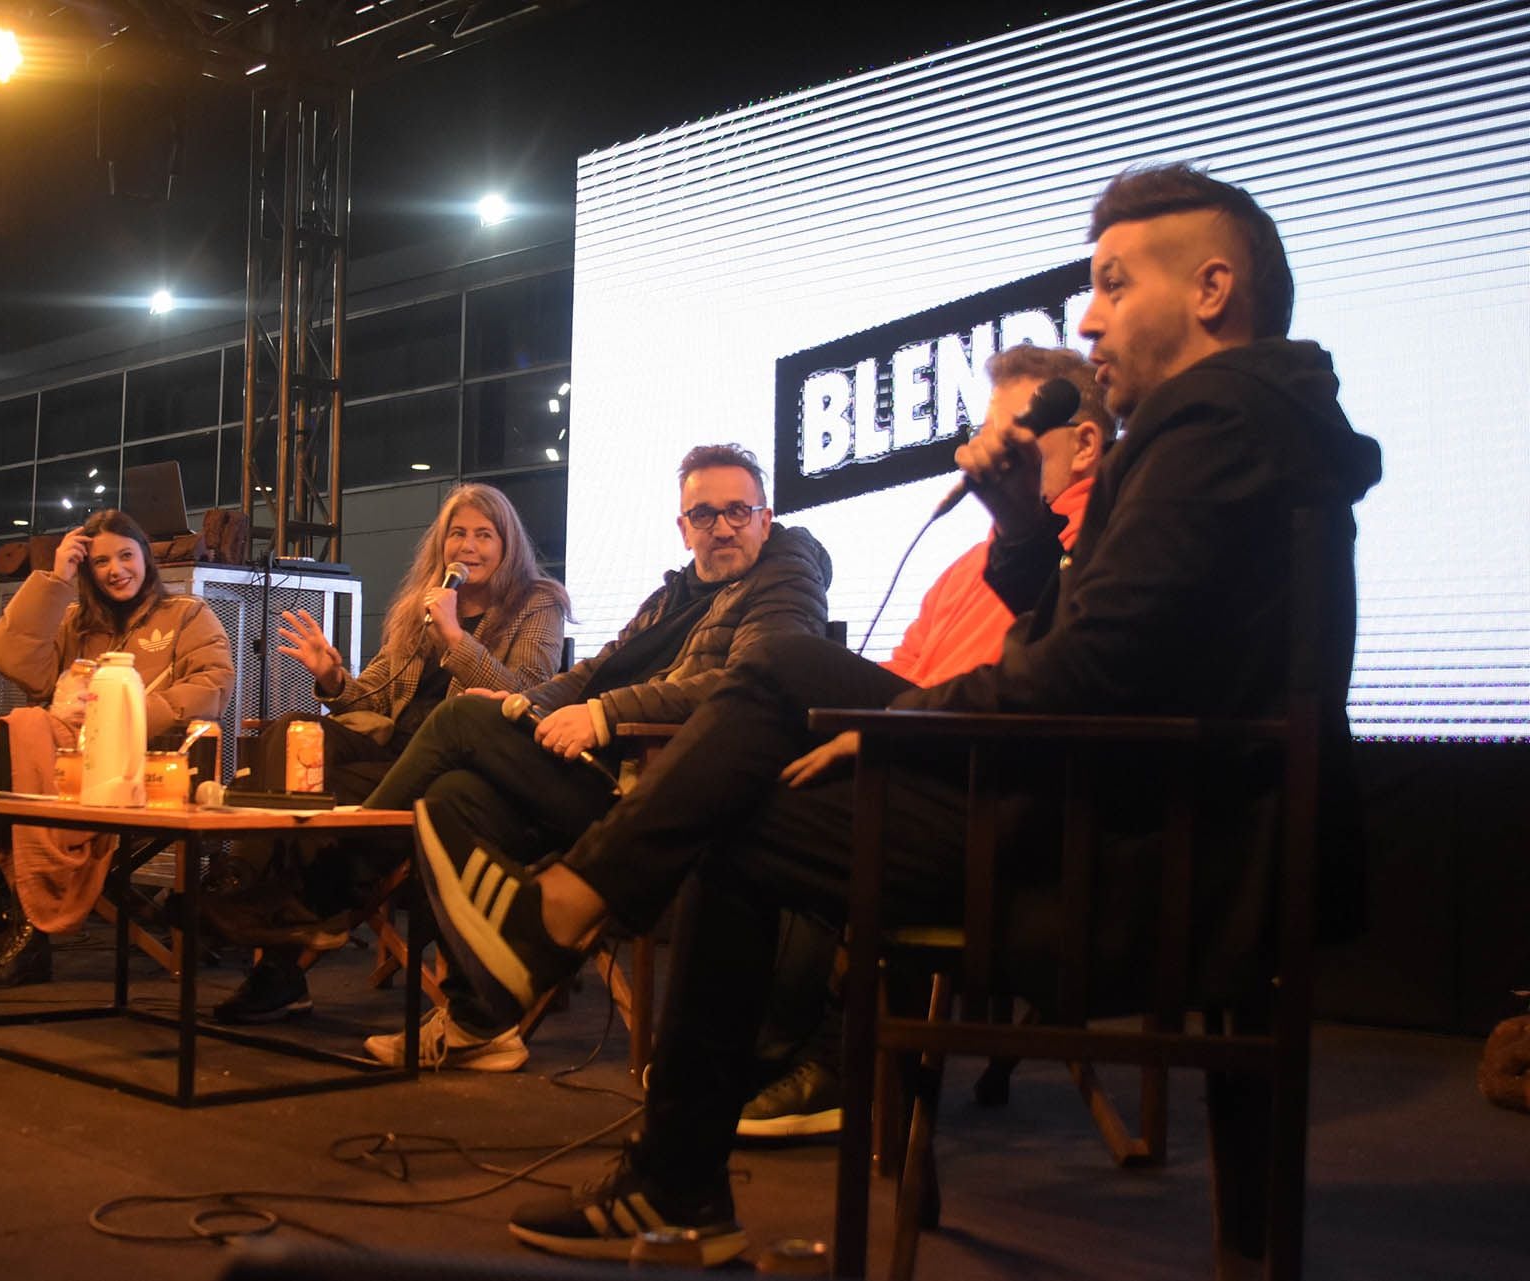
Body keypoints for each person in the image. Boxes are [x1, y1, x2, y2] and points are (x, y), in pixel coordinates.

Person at [414, 162, 1381, 1262]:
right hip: (1138, 818)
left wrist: (888, 728)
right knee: (783, 669)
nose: (1089, 315)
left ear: (1213, 289)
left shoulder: (1213, 424)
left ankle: (617, 1045)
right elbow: (1107, 648)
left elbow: (1087, 674)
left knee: (742, 799)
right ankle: (579, 940)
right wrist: (1022, 530)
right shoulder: (1254, 420)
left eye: (1114, 283)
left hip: (1118, 855)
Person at [356, 443, 833, 1073]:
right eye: (704, 515)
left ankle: (338, 882)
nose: (721, 528)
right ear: (683, 526)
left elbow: (751, 680)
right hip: (593, 766)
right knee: (451, 798)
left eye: (738, 512)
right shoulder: (673, 596)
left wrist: (604, 716)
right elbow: (592, 672)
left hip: (654, 787)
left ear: (765, 519)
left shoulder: (785, 575)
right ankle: (481, 1022)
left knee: (457, 721)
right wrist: (520, 703)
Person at [741, 343, 1111, 1139]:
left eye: (1012, 436)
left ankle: (837, 1063)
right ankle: (770, 1053)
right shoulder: (963, 568)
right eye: (984, 434)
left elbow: (1026, 691)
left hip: (995, 794)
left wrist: (886, 737)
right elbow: (902, 670)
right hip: (917, 751)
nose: (982, 457)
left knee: (788, 695)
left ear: (1084, 444)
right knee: (777, 752)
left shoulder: (1101, 548)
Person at [206, 482, 570, 1024]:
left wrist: (456, 638)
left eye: (484, 535)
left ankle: (283, 952)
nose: (468, 547)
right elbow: (375, 691)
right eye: (458, 534)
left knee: (344, 793)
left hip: (462, 759)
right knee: (292, 734)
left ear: (508, 544)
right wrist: (332, 677)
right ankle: (243, 882)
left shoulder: (536, 603)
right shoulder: (420, 604)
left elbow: (527, 691)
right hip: (392, 743)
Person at [0, 508, 231, 988]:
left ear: (146, 559)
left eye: (126, 556)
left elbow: (214, 685)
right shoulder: (76, 623)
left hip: (149, 763)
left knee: (22, 739)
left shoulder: (187, 615)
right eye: (100, 562)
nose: (116, 570)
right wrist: (53, 579)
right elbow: (7, 657)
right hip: (65, 770)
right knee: (25, 729)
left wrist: (122, 713)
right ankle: (12, 924)